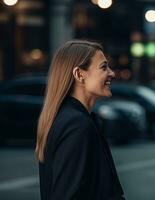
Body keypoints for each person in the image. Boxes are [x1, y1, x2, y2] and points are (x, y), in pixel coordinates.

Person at [35, 40, 125, 200]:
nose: (112, 73)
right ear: (79, 74)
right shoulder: (77, 124)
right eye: (104, 67)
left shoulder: (72, 118)